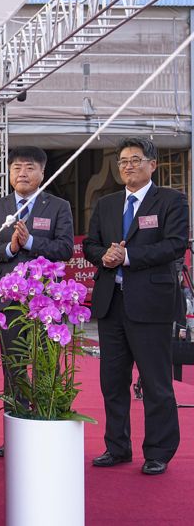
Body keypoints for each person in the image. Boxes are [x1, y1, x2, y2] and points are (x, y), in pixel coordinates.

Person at [83, 137, 188, 476]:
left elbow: (174, 245)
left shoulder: (171, 200)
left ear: (152, 165)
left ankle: (158, 451)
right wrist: (104, 256)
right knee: (112, 382)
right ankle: (117, 447)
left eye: (135, 159)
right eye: (123, 161)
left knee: (156, 383)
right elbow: (91, 245)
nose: (128, 165)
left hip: (151, 304)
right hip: (111, 304)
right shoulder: (107, 203)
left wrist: (128, 256)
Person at [0, 146, 74, 458]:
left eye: (30, 168)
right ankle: (17, 435)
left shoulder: (58, 207)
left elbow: (65, 249)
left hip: (46, 301)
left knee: (48, 363)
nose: (23, 173)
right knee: (14, 365)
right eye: (17, 167)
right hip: (9, 302)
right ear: (8, 173)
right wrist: (9, 247)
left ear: (42, 173)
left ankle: (47, 424)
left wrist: (32, 242)